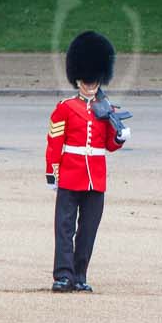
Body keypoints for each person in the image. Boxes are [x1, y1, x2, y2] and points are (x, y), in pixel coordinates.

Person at [45, 31, 131, 293]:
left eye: (94, 80)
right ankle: (63, 275)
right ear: (78, 79)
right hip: (71, 175)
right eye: (86, 80)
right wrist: (52, 173)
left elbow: (108, 145)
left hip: (96, 178)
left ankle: (80, 275)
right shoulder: (66, 107)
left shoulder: (106, 108)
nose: (91, 85)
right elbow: (54, 142)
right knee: (64, 228)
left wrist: (120, 137)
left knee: (88, 230)